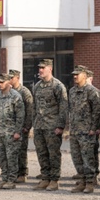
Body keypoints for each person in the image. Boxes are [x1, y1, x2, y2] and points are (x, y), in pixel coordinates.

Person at [31, 58, 68, 191]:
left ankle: (54, 180)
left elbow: (63, 107)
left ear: (50, 69)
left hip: (52, 126)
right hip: (39, 126)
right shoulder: (37, 86)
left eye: (43, 68)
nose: (40, 70)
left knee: (53, 154)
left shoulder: (58, 86)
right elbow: (34, 107)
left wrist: (60, 126)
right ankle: (45, 178)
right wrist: (33, 124)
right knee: (41, 153)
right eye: (39, 68)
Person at [67, 65, 100, 194]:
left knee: (88, 157)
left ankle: (90, 182)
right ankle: (82, 180)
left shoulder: (92, 91)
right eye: (74, 74)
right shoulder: (72, 91)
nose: (75, 77)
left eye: (78, 74)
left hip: (87, 131)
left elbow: (98, 112)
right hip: (75, 130)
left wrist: (94, 128)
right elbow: (71, 110)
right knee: (76, 157)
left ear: (85, 76)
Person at [0, 72, 24, 189]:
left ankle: (11, 179)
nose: (0, 84)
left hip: (11, 133)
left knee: (11, 157)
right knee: (1, 157)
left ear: (9, 82)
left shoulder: (15, 96)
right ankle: (4, 178)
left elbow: (20, 116)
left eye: (2, 82)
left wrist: (17, 132)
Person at [8, 69, 33, 183]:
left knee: (21, 151)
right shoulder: (10, 92)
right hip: (11, 127)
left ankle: (23, 173)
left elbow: (30, 110)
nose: (9, 80)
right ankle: (14, 172)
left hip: (22, 127)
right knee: (12, 151)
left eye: (11, 78)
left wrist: (27, 126)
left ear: (17, 78)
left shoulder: (24, 92)